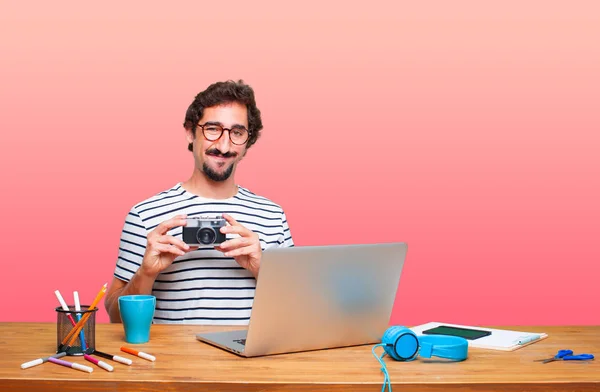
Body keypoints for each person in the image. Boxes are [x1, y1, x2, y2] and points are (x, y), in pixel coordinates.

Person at [104, 80, 294, 325]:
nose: (224, 146)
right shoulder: (145, 214)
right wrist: (146, 273)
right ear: (190, 131)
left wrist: (262, 269)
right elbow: (116, 319)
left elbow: (295, 312)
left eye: (237, 133)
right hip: (172, 362)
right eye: (213, 129)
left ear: (248, 142)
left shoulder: (272, 215)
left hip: (249, 362)